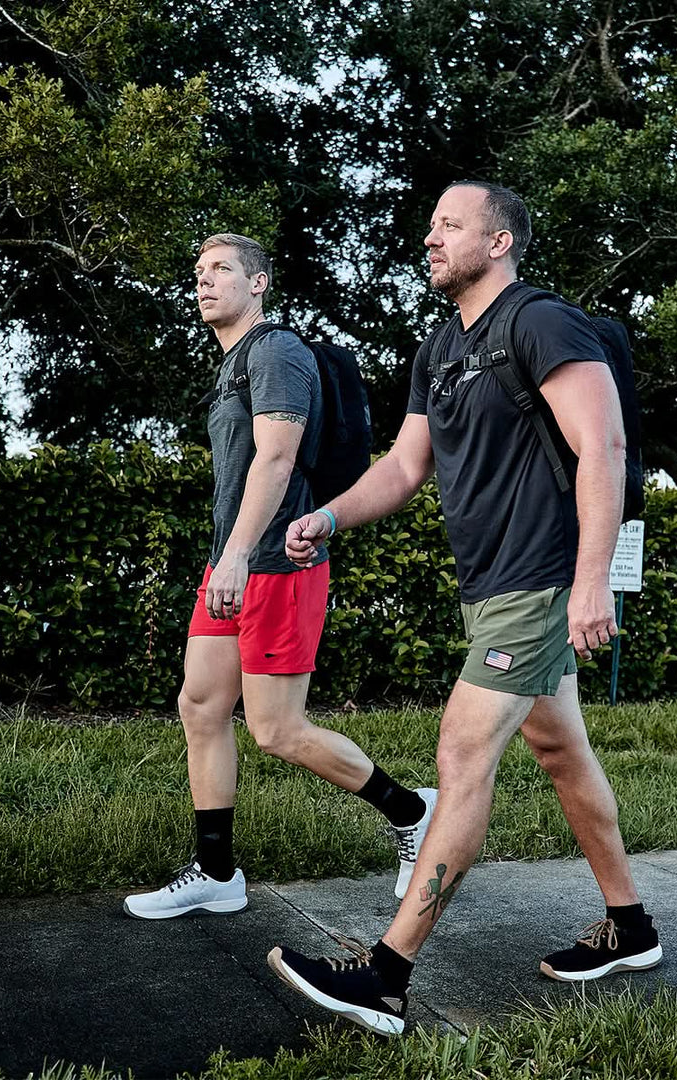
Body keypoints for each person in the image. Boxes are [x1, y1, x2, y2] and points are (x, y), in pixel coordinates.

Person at [268, 185, 661, 1035]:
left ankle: (385, 978)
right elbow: (405, 467)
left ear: (501, 239)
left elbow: (604, 445)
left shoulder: (542, 322)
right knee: (559, 749)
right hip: (488, 586)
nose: (432, 237)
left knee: (462, 753)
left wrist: (591, 579)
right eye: (432, 225)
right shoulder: (441, 347)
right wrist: (329, 515)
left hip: (540, 577)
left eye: (451, 224)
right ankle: (630, 926)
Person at [123, 233, 436, 920]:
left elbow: (276, 458)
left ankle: (412, 811)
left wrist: (237, 555)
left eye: (222, 270)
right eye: (198, 271)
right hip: (232, 563)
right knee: (200, 707)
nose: (204, 281)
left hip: (273, 567)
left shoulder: (275, 352)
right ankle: (216, 873)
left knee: (277, 730)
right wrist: (225, 558)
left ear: (259, 283)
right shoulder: (233, 363)